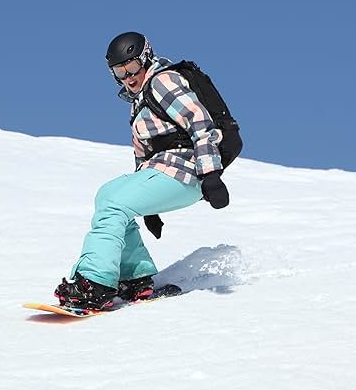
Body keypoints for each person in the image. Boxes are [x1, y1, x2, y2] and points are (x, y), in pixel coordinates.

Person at [54, 31, 231, 311]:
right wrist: (148, 207)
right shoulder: (139, 101)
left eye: (132, 67)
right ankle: (135, 277)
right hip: (165, 171)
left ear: (146, 58)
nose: (128, 77)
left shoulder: (162, 81)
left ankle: (95, 283)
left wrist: (211, 175)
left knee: (114, 204)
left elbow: (199, 120)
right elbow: (143, 155)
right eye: (120, 72)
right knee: (107, 195)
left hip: (187, 171)